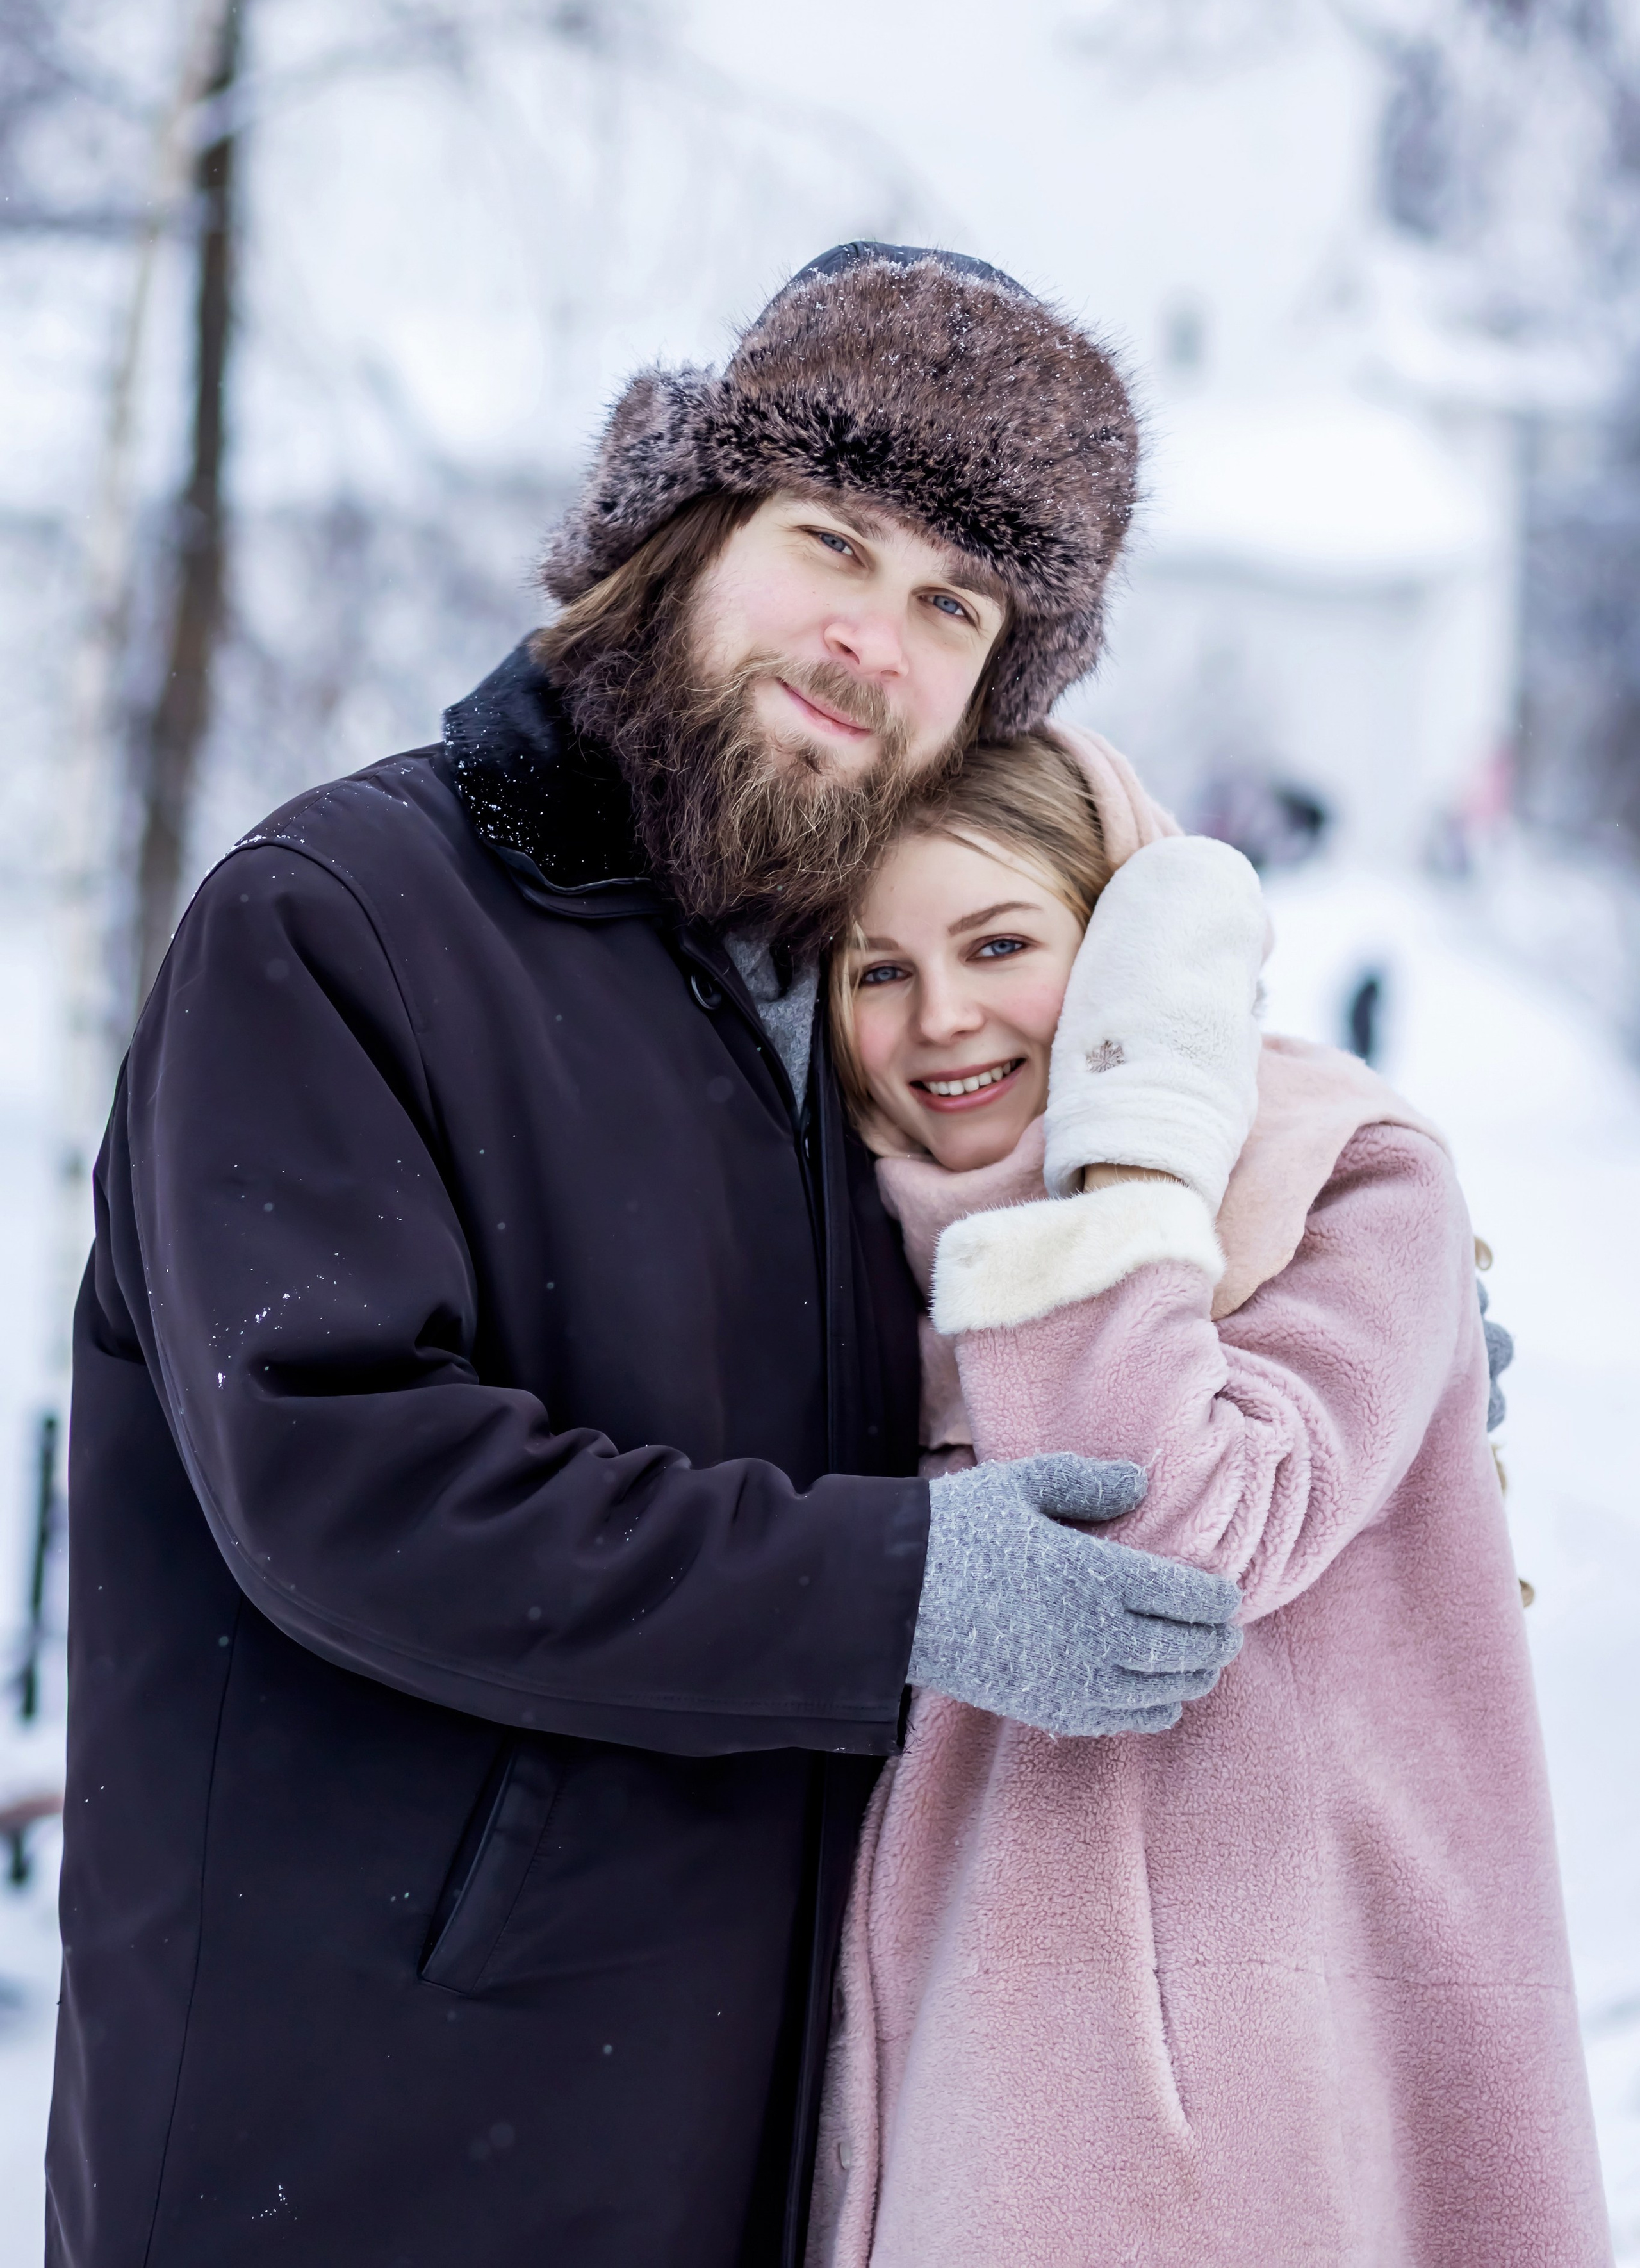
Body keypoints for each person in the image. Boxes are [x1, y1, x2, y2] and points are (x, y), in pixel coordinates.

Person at [47, 246, 1243, 2268]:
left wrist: (1305, 1327)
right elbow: (351, 1485)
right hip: (346, 2153)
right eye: (832, 543)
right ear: (685, 528)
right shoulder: (340, 923)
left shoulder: (841, 1002)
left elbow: (1018, 1303)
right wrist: (895, 1593)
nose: (875, 638)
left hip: (717, 2145)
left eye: (952, 606)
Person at [808, 728, 1611, 2266]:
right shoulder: (825, 1254)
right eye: (873, 971)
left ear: (1121, 956)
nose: (942, 1019)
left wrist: (1130, 1152)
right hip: (929, 2129)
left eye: (998, 944)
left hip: (1242, 2138)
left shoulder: (1340, 1180)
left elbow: (1169, 1539)